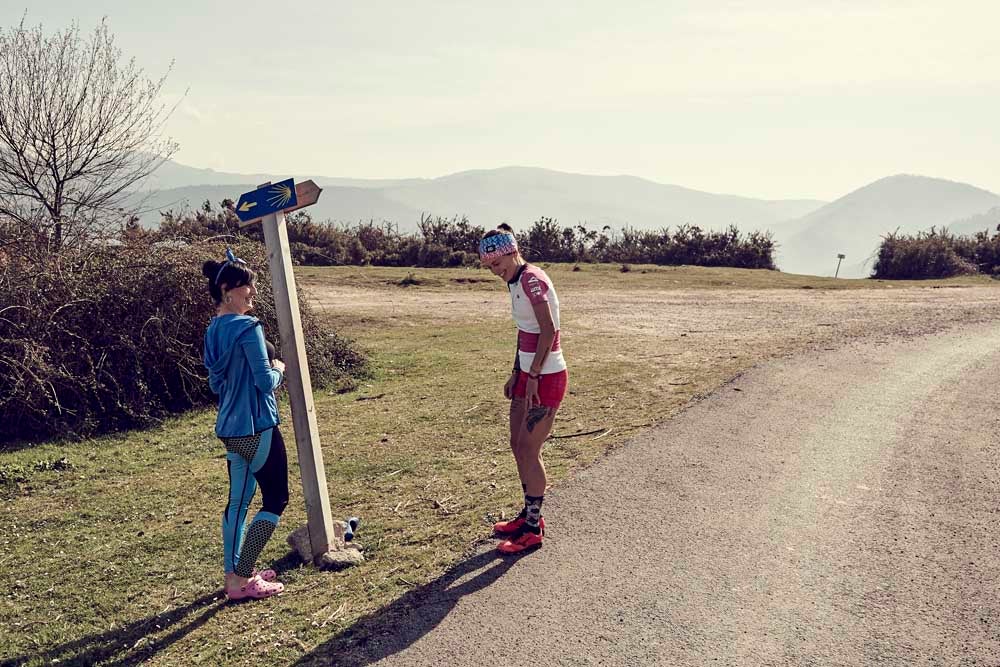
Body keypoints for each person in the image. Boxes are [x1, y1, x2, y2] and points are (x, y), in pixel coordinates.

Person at [202, 248, 289, 600]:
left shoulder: (212, 330)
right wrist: (280, 369)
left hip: (229, 429)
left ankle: (232, 579)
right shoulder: (248, 327)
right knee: (276, 499)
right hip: (258, 427)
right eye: (247, 286)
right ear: (228, 289)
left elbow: (215, 383)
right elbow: (264, 381)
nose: (253, 291)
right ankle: (242, 577)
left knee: (238, 501)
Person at [479, 225, 569, 554]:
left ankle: (533, 528)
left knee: (530, 450)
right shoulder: (515, 281)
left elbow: (549, 330)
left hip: (546, 377)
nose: (495, 271)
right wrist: (515, 373)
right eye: (489, 266)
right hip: (527, 375)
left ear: (512, 251)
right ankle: (527, 516)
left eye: (497, 263)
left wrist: (532, 375)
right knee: (517, 445)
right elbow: (525, 333)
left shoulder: (532, 279)